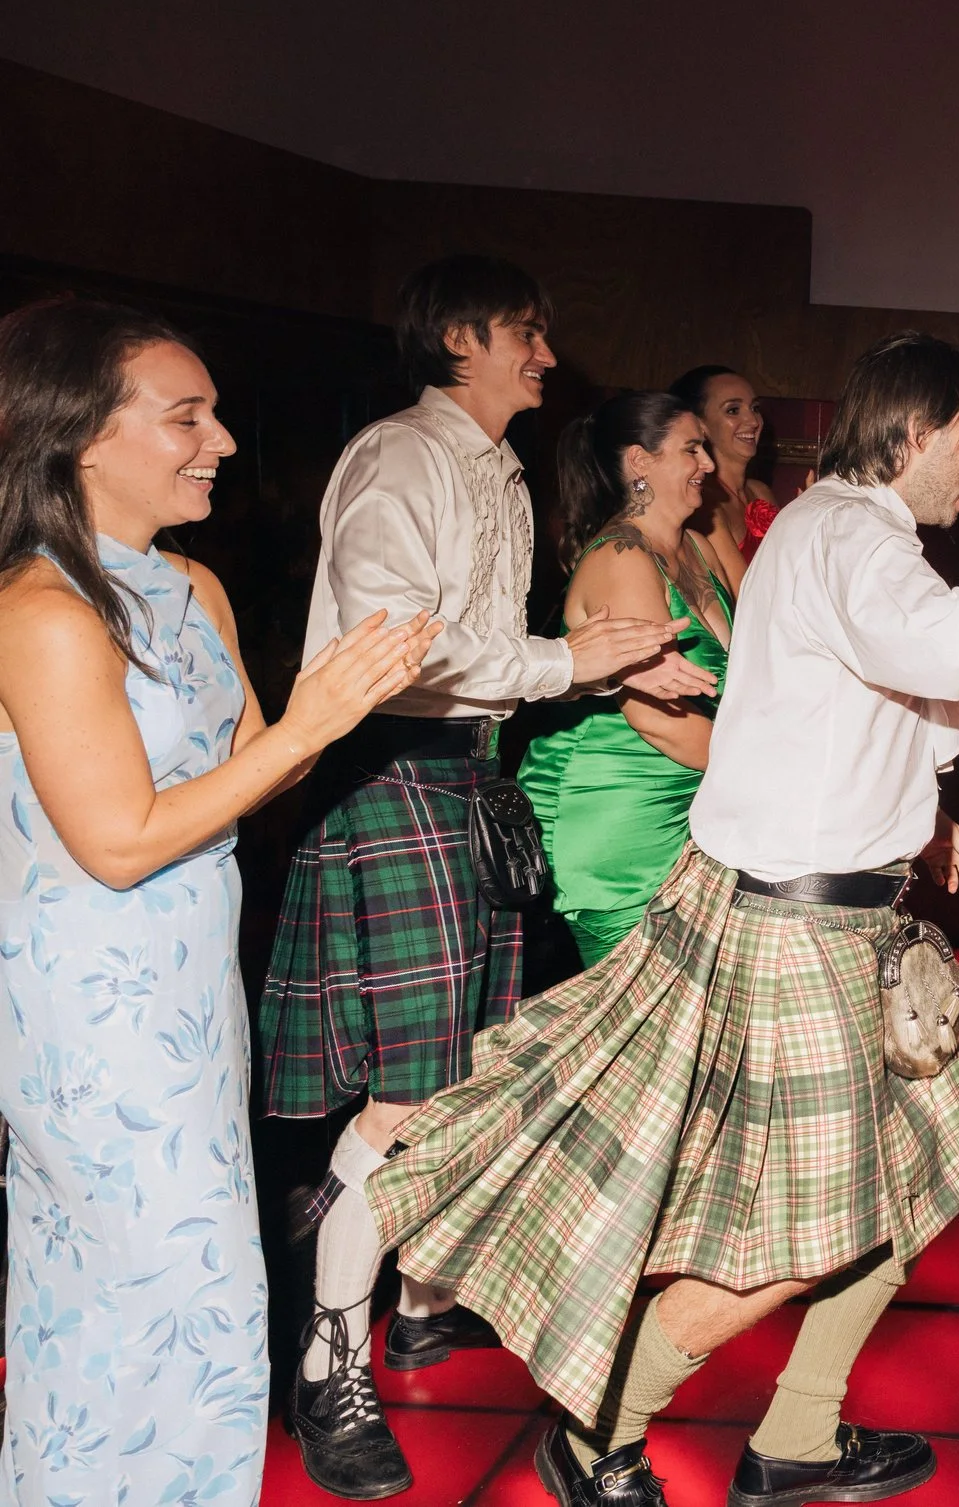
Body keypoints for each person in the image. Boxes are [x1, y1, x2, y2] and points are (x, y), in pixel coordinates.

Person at [365, 330, 959, 1506]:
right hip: (798, 930)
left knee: (919, 1167)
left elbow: (826, 704)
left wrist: (920, 813)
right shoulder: (852, 533)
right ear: (911, 435)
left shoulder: (828, 526)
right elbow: (940, 640)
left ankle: (799, 1430)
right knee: (804, 1231)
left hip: (825, 912)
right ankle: (601, 1424)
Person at [258, 256, 715, 1498]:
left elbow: (500, 657)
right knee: (405, 1102)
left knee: (459, 1075)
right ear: (458, 336)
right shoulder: (405, 456)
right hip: (396, 772)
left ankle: (415, 1304)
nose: (548, 358)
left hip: (462, 775)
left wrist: (597, 667)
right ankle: (324, 1363)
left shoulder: (490, 466)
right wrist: (568, 661)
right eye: (527, 333)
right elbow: (388, 646)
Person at [0, 298, 437, 1505]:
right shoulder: (39, 613)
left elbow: (256, 767)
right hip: (86, 1012)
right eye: (185, 415)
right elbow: (122, 840)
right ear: (82, 434)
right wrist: (307, 721)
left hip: (187, 1002)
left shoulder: (190, 586)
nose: (224, 440)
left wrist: (340, 703)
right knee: (142, 1294)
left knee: (205, 1296)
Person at [519, 389, 736, 967]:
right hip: (620, 820)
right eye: (692, 449)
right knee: (637, 1036)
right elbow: (656, 720)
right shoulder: (622, 559)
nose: (708, 465)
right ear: (640, 462)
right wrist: (769, 776)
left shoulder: (693, 546)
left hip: (684, 806)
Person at [675, 364, 779, 586]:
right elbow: (743, 595)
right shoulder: (703, 503)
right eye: (733, 410)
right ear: (699, 426)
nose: (753, 421)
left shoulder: (760, 491)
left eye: (755, 408)